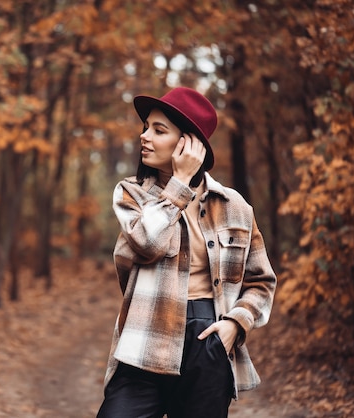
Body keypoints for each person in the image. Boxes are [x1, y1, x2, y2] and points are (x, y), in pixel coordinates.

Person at [96, 87, 277, 418]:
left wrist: (237, 324)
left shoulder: (235, 206)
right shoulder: (131, 194)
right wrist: (178, 184)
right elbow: (148, 244)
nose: (145, 137)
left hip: (208, 339)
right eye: (146, 127)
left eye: (158, 130)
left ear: (188, 143)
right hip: (146, 336)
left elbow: (261, 281)